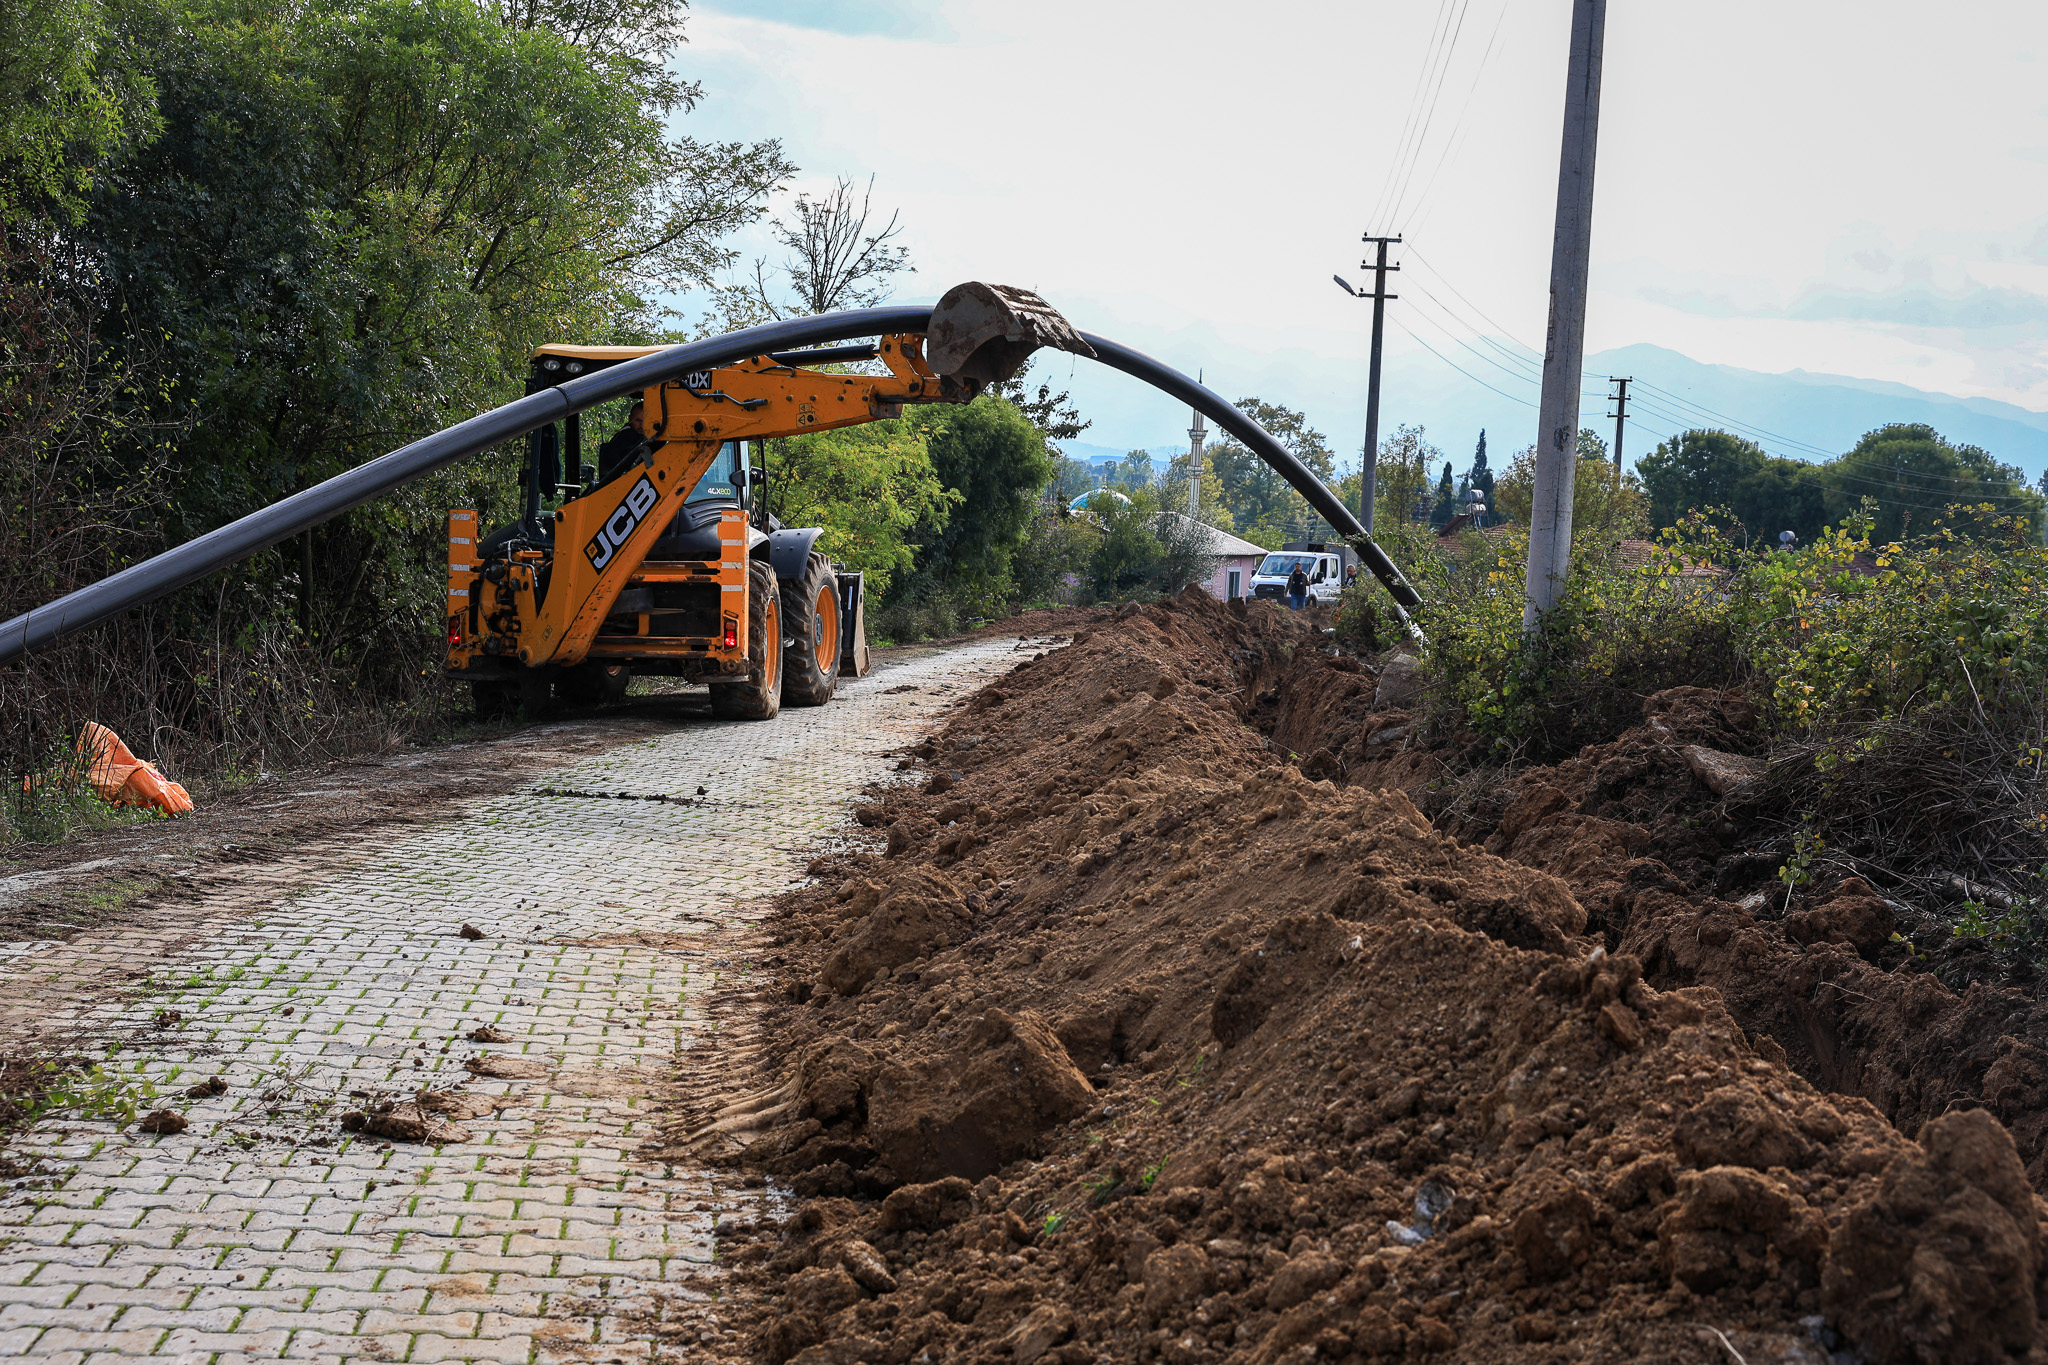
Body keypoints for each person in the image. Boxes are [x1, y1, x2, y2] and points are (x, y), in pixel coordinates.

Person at [597, 400, 650, 484]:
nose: (642, 425)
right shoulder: (625, 436)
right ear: (629, 419)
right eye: (638, 420)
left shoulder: (650, 437)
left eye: (646, 420)